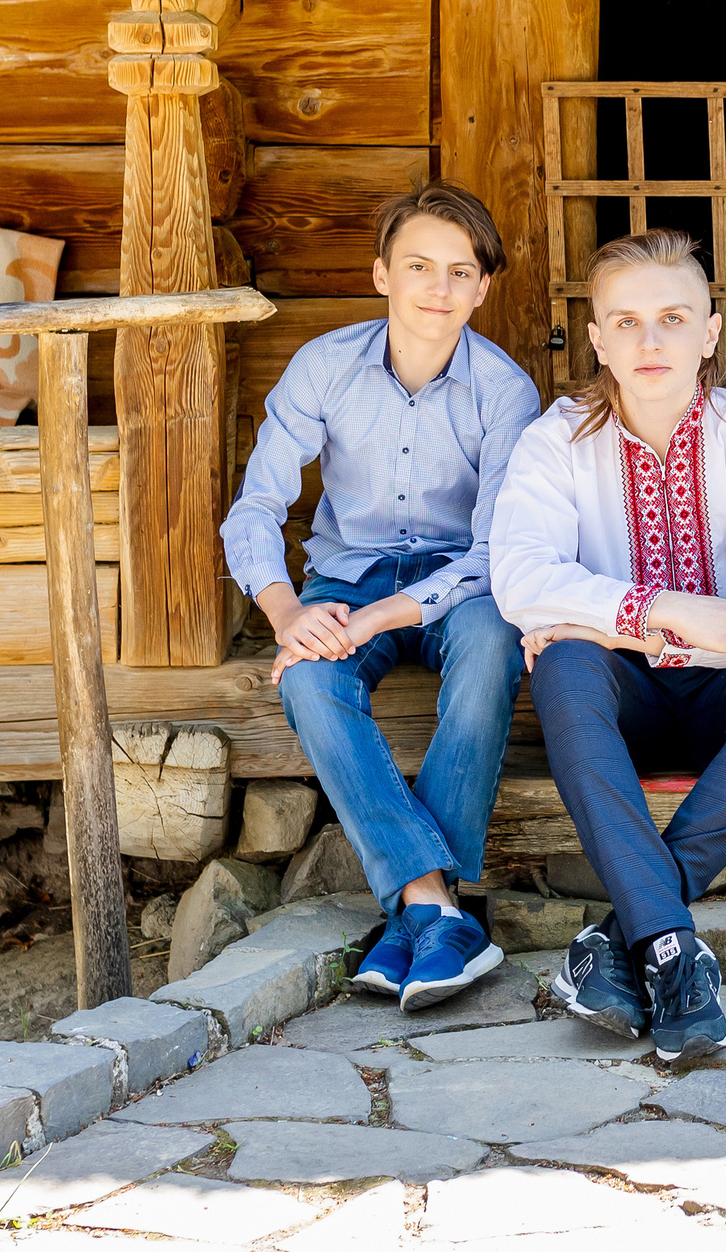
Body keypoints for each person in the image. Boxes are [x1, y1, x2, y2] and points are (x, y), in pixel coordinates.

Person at [492, 229, 726, 1065]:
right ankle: (676, 955)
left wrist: (600, 612)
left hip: (725, 699)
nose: (650, 342)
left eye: (673, 318)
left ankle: (630, 940)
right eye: (627, 322)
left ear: (709, 332)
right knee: (567, 663)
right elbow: (522, 578)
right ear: (599, 337)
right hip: (621, 699)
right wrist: (673, 614)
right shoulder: (556, 439)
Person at [220, 181, 538, 1011]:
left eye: (460, 270)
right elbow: (256, 505)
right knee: (308, 679)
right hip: (345, 572)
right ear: (380, 275)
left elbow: (498, 550)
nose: (439, 287)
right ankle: (437, 908)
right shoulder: (323, 366)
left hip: (457, 583)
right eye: (419, 266)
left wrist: (390, 614)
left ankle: (413, 913)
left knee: (492, 645)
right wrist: (288, 612)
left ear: (482, 287)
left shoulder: (506, 391)